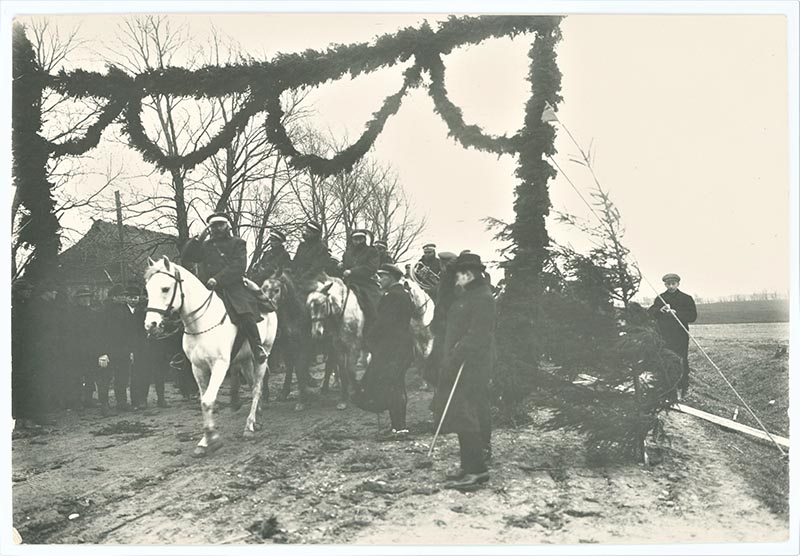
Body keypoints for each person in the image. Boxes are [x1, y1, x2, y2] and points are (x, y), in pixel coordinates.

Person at [432, 252, 496, 491]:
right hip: (460, 361)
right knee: (461, 413)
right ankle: (467, 467)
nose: (456, 278)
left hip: (471, 364)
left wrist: (456, 356)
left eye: (458, 274)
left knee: (466, 413)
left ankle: (477, 471)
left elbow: (478, 336)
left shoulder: (483, 298)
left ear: (469, 274)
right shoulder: (468, 295)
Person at [181, 212, 267, 364]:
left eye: (221, 224)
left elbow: (238, 266)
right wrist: (198, 239)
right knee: (187, 315)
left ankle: (257, 347)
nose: (217, 228)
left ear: (227, 225)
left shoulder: (238, 243)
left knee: (245, 311)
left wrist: (218, 279)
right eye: (214, 225)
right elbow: (187, 256)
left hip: (232, 287)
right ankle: (186, 354)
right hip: (208, 289)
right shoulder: (205, 245)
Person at [354, 263, 415, 437]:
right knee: (395, 385)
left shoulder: (393, 296)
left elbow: (384, 323)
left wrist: (369, 338)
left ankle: (399, 428)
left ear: (391, 277)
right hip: (400, 347)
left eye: (382, 276)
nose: (379, 280)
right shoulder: (401, 294)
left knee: (393, 387)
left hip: (393, 348)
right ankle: (398, 426)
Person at [648, 273, 697, 398]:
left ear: (678, 284)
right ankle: (668, 388)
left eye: (673, 284)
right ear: (665, 284)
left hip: (680, 335)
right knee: (665, 360)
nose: (670, 286)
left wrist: (677, 313)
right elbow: (651, 312)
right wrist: (661, 310)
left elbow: (692, 316)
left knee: (681, 360)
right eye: (668, 284)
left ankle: (683, 386)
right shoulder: (661, 298)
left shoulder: (686, 298)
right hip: (664, 335)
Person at [341, 229, 381, 333]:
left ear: (364, 239)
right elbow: (345, 265)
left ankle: (372, 330)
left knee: (373, 305)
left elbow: (371, 268)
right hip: (348, 283)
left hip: (366, 283)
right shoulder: (347, 253)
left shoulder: (372, 251)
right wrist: (341, 266)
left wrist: (352, 271)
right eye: (355, 239)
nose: (357, 242)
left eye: (360, 239)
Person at [291, 220, 329, 286]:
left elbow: (316, 268)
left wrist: (302, 278)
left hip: (314, 279)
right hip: (298, 277)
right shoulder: (302, 245)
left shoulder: (321, 247)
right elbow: (295, 262)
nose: (305, 233)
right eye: (305, 231)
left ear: (315, 234)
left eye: (308, 232)